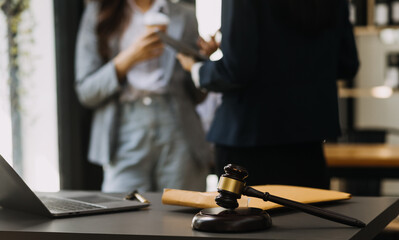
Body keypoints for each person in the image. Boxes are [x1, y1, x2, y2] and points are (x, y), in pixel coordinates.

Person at [177, 0, 359, 189]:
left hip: (248, 137)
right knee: (308, 217)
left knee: (243, 217)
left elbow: (236, 70)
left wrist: (197, 69)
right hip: (308, 139)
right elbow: (347, 64)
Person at [74, 0, 213, 192]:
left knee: (181, 214)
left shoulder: (185, 15)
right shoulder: (99, 12)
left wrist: (203, 66)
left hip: (179, 128)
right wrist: (129, 57)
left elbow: (196, 95)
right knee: (123, 216)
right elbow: (86, 92)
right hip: (123, 128)